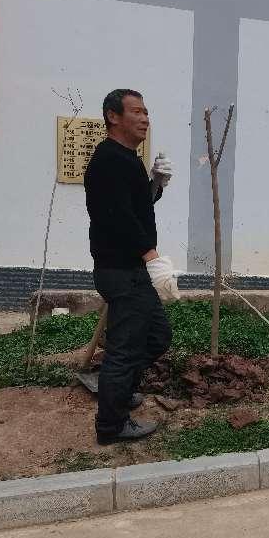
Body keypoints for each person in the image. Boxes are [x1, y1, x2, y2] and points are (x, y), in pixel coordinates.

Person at [84, 89, 178, 444]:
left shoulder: (128, 159)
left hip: (131, 270)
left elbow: (137, 207)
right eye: (136, 112)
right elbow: (118, 217)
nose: (145, 119)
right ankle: (111, 425)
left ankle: (119, 390)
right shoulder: (109, 160)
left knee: (156, 336)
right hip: (122, 271)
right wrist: (151, 256)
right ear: (113, 116)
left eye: (146, 112)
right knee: (124, 350)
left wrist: (155, 184)